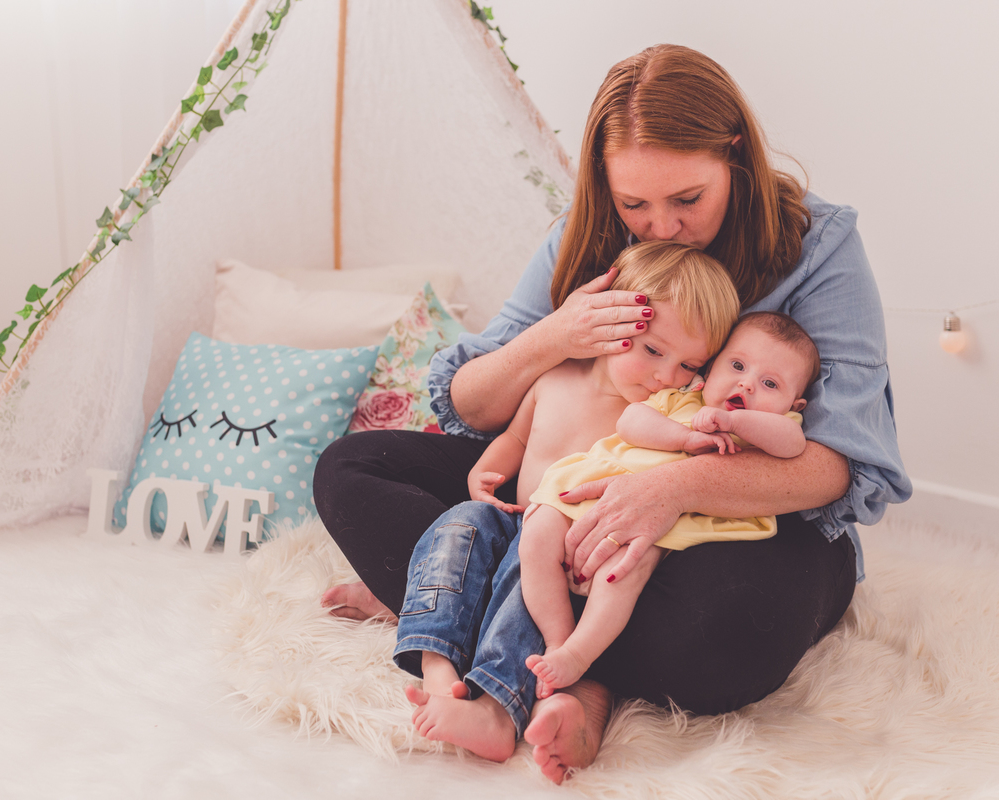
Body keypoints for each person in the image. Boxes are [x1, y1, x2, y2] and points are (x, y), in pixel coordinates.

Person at [314, 44, 911, 784]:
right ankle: (504, 607)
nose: (660, 227)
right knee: (353, 465)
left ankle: (535, 651)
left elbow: (838, 464)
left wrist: (670, 491)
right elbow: (470, 405)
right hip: (557, 492)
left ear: (734, 155)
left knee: (737, 633)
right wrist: (553, 337)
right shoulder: (588, 235)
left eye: (687, 199)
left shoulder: (818, 246)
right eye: (635, 204)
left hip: (725, 521)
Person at [391, 239, 741, 761]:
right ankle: (436, 660)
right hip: (516, 516)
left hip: (570, 546)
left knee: (524, 565)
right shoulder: (555, 377)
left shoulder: (667, 411)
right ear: (609, 326)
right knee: (457, 527)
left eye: (691, 365)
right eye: (652, 351)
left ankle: (497, 703)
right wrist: (487, 473)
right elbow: (514, 438)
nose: (668, 375)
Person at [523, 310, 819, 698]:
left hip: (663, 524)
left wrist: (737, 424)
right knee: (536, 534)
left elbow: (793, 446)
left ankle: (579, 654)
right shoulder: (681, 398)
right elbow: (631, 421)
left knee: (625, 570)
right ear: (710, 371)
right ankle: (557, 637)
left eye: (769, 383)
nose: (746, 384)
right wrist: (682, 437)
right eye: (737, 365)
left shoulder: (775, 427)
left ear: (793, 406)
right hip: (601, 488)